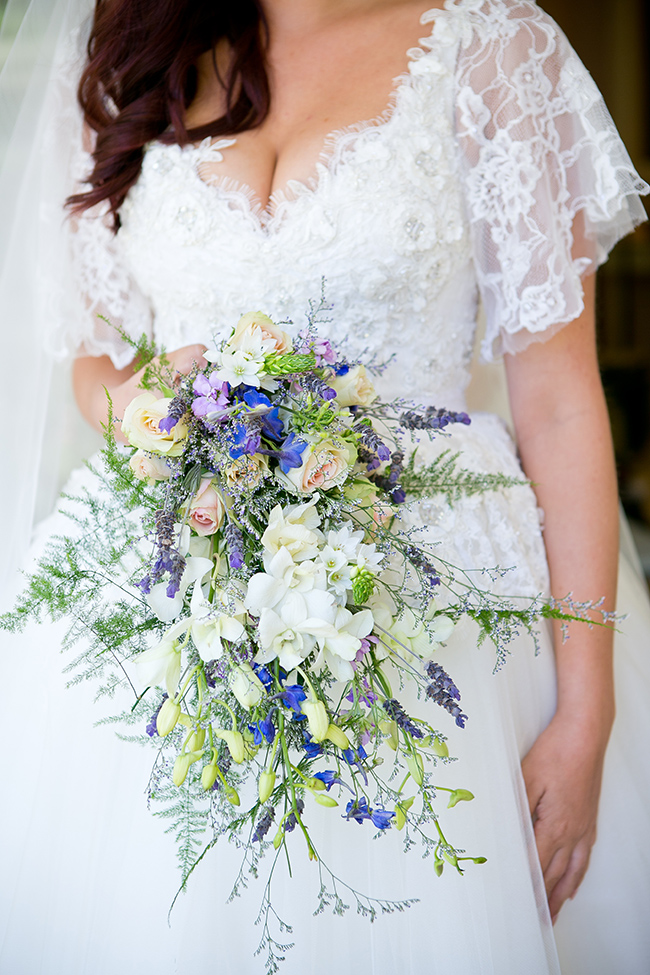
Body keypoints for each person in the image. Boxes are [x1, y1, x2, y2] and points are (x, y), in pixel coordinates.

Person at [0, 0, 649, 972]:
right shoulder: (133, 44)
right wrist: (140, 413)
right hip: (173, 570)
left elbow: (557, 402)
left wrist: (582, 716)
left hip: (443, 597)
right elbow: (95, 356)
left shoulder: (493, 46)